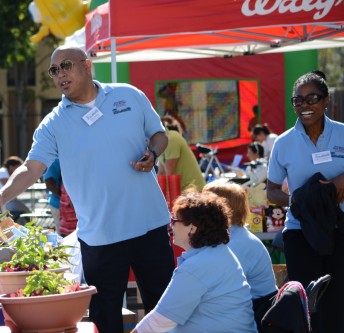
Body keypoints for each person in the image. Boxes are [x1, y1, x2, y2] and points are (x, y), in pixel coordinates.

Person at [0, 46, 175, 333]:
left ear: (87, 66)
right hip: (101, 236)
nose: (60, 74)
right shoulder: (53, 123)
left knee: (163, 310)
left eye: (65, 66)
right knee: (105, 317)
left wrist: (153, 152)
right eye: (54, 70)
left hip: (149, 224)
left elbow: (159, 134)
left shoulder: (128, 94)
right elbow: (31, 168)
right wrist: (1, 196)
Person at [267, 70, 344, 332]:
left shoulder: (342, 133)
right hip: (300, 233)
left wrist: (340, 182)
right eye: (298, 101)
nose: (305, 105)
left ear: (325, 101)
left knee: (338, 301)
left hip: (339, 229)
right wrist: (300, 202)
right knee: (308, 303)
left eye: (312, 98)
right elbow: (272, 191)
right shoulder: (283, 142)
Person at [132, 191, 257, 333]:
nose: (170, 226)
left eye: (174, 221)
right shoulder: (217, 253)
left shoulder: (198, 265)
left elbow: (161, 320)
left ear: (192, 228)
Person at [202, 181, 277, 330]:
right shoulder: (233, 236)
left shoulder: (236, 244)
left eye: (205, 204)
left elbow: (217, 289)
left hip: (255, 315)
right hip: (248, 309)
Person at [157, 115, 205, 192]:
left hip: (193, 192)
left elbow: (169, 175)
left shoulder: (171, 139)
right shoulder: (161, 142)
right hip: (185, 192)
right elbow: (161, 172)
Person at [0, 156, 30, 221]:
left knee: (26, 211)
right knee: (26, 211)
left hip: (6, 201)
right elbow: (11, 186)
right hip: (2, 202)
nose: (19, 169)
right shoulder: (3, 171)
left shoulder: (8, 173)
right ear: (11, 166)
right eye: (18, 167)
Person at [43, 159, 62, 233]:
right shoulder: (55, 160)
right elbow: (49, 183)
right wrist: (64, 200)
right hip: (58, 205)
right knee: (63, 236)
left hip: (75, 205)